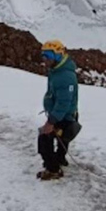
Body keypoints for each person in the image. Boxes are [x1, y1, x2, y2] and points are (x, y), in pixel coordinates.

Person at [37, 40, 80, 181]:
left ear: (58, 55)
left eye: (48, 55)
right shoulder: (57, 70)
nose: (45, 58)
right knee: (62, 139)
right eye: (43, 55)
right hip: (63, 115)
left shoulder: (64, 76)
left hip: (63, 117)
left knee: (44, 138)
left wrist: (50, 122)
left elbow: (63, 103)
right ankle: (60, 159)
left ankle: (53, 169)